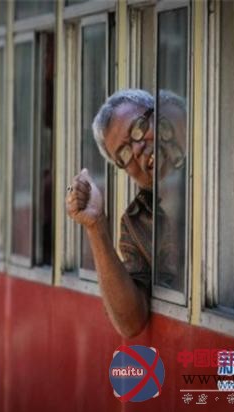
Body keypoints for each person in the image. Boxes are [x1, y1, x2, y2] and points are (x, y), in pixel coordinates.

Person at [65, 89, 187, 338]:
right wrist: (95, 225)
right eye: (124, 153)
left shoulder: (212, 159)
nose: (138, 148)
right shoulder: (138, 222)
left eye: (138, 128)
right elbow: (130, 323)